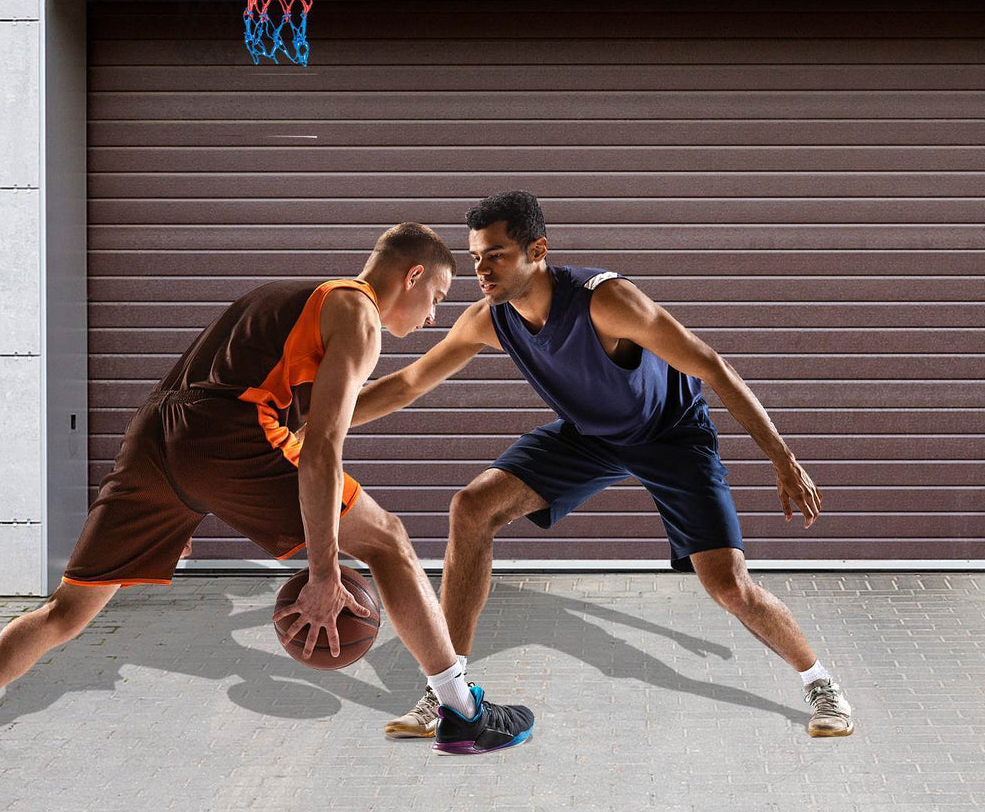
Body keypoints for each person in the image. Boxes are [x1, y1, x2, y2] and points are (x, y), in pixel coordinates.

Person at [0, 223, 534, 765]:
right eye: (438, 300)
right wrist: (323, 569)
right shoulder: (357, 313)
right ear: (412, 275)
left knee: (66, 613)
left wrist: (439, 364)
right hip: (227, 436)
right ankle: (461, 712)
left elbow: (330, 413)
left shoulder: (301, 304)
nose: (432, 319)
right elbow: (322, 448)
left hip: (157, 440)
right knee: (389, 539)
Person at [349, 193, 853, 741]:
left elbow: (713, 365)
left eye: (495, 256)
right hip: (591, 438)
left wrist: (784, 460)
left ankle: (821, 684)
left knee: (730, 587)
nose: (482, 270)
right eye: (475, 258)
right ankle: (446, 689)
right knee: (472, 507)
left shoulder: (608, 301)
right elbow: (407, 383)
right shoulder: (490, 320)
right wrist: (317, 423)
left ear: (537, 250)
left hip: (672, 437)